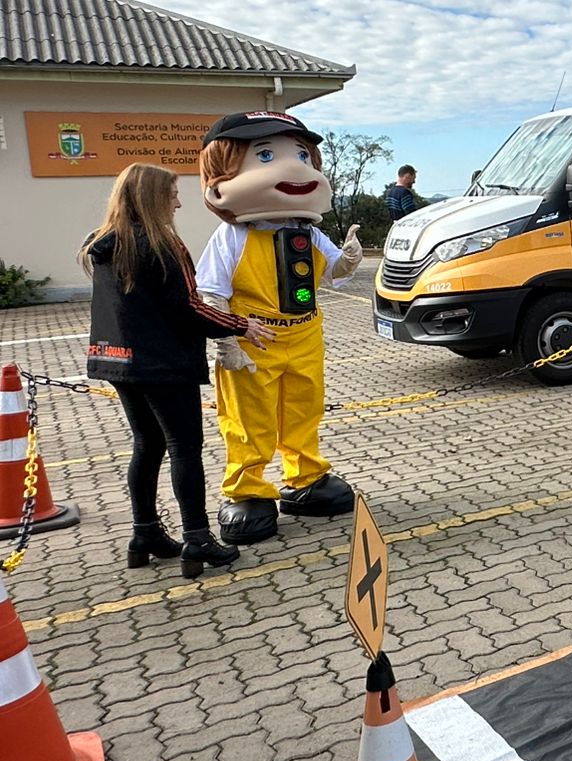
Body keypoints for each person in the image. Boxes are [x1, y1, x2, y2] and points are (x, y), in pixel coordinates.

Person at [80, 164, 276, 578]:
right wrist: (242, 325)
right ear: (153, 197)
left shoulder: (102, 244)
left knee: (147, 445)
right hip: (165, 366)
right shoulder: (163, 245)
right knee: (184, 448)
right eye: (172, 193)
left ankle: (145, 534)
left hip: (120, 362)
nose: (179, 201)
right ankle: (198, 539)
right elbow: (190, 307)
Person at [196, 110, 365, 545]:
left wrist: (348, 258)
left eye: (300, 155)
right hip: (255, 340)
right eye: (266, 155)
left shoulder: (304, 231)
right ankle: (247, 490)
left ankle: (305, 477)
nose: (292, 168)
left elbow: (332, 272)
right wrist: (227, 340)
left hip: (305, 334)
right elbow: (210, 292)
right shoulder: (232, 237)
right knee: (248, 420)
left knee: (303, 411)